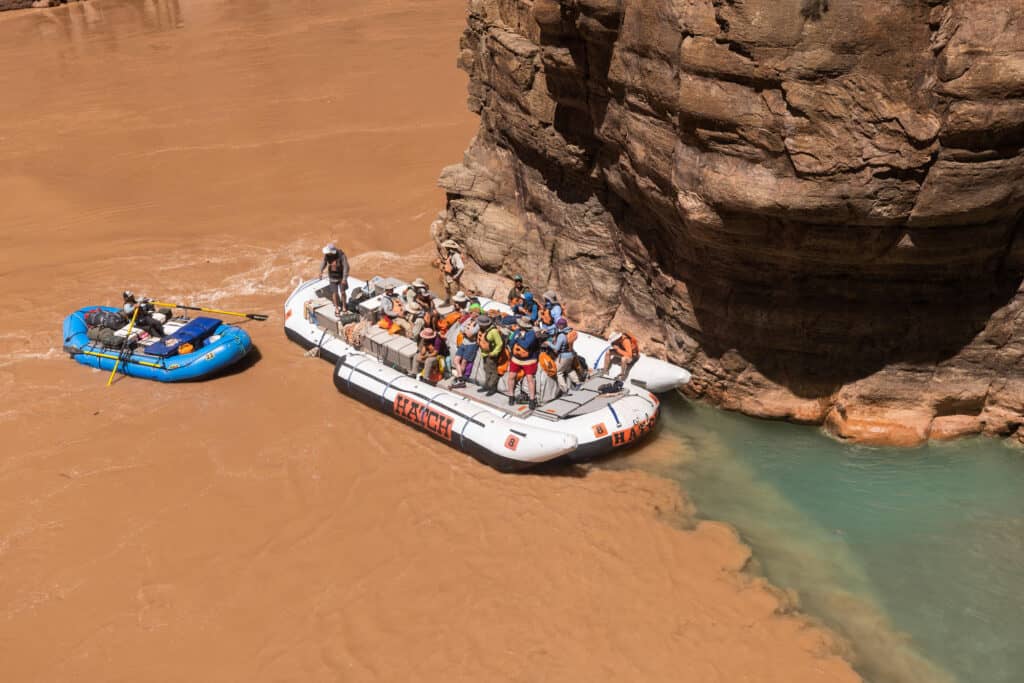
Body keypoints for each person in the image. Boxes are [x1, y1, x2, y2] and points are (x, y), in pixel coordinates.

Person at [506, 316, 540, 409]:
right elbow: (511, 342)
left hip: (529, 360)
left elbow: (526, 345)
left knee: (530, 379)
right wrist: (514, 338)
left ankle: (532, 399)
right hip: (516, 359)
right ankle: (511, 396)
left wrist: (518, 338)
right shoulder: (517, 331)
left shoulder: (532, 333)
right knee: (511, 376)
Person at [544, 317, 578, 392]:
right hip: (571, 354)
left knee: (559, 372)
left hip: (563, 356)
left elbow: (556, 348)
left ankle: (565, 390)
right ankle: (577, 383)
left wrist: (548, 343)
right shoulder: (570, 331)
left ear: (561, 326)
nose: (557, 326)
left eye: (558, 325)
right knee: (569, 369)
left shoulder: (561, 335)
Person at [476, 315, 504, 396]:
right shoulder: (483, 330)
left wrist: (494, 353)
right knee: (486, 370)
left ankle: (492, 387)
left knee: (493, 371)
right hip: (484, 353)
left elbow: (500, 343)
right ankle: (487, 385)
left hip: (491, 354)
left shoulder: (493, 331)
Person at [319, 243, 350, 315]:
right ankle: (336, 308)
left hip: (341, 277)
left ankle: (344, 306)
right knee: (334, 293)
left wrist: (344, 278)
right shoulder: (327, 255)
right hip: (332, 277)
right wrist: (320, 271)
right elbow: (324, 263)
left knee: (342, 292)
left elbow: (346, 267)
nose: (327, 254)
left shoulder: (341, 255)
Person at [451, 317, 479, 388]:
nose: (473, 314)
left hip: (471, 345)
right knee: (456, 360)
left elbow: (470, 334)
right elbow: (461, 329)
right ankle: (460, 378)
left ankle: (459, 379)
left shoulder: (478, 325)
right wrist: (468, 329)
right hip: (463, 343)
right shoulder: (469, 320)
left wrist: (467, 329)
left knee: (464, 362)